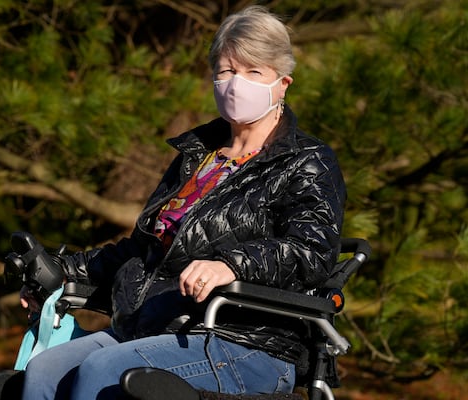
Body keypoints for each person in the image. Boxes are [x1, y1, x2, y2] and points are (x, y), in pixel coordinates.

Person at [20, 5, 346, 399]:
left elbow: (311, 252)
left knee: (101, 369)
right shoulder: (198, 157)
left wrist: (230, 264)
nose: (235, 83)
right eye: (226, 71)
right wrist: (61, 269)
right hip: (156, 326)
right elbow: (144, 248)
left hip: (244, 340)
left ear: (283, 83)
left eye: (253, 72)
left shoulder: (307, 160)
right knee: (44, 370)